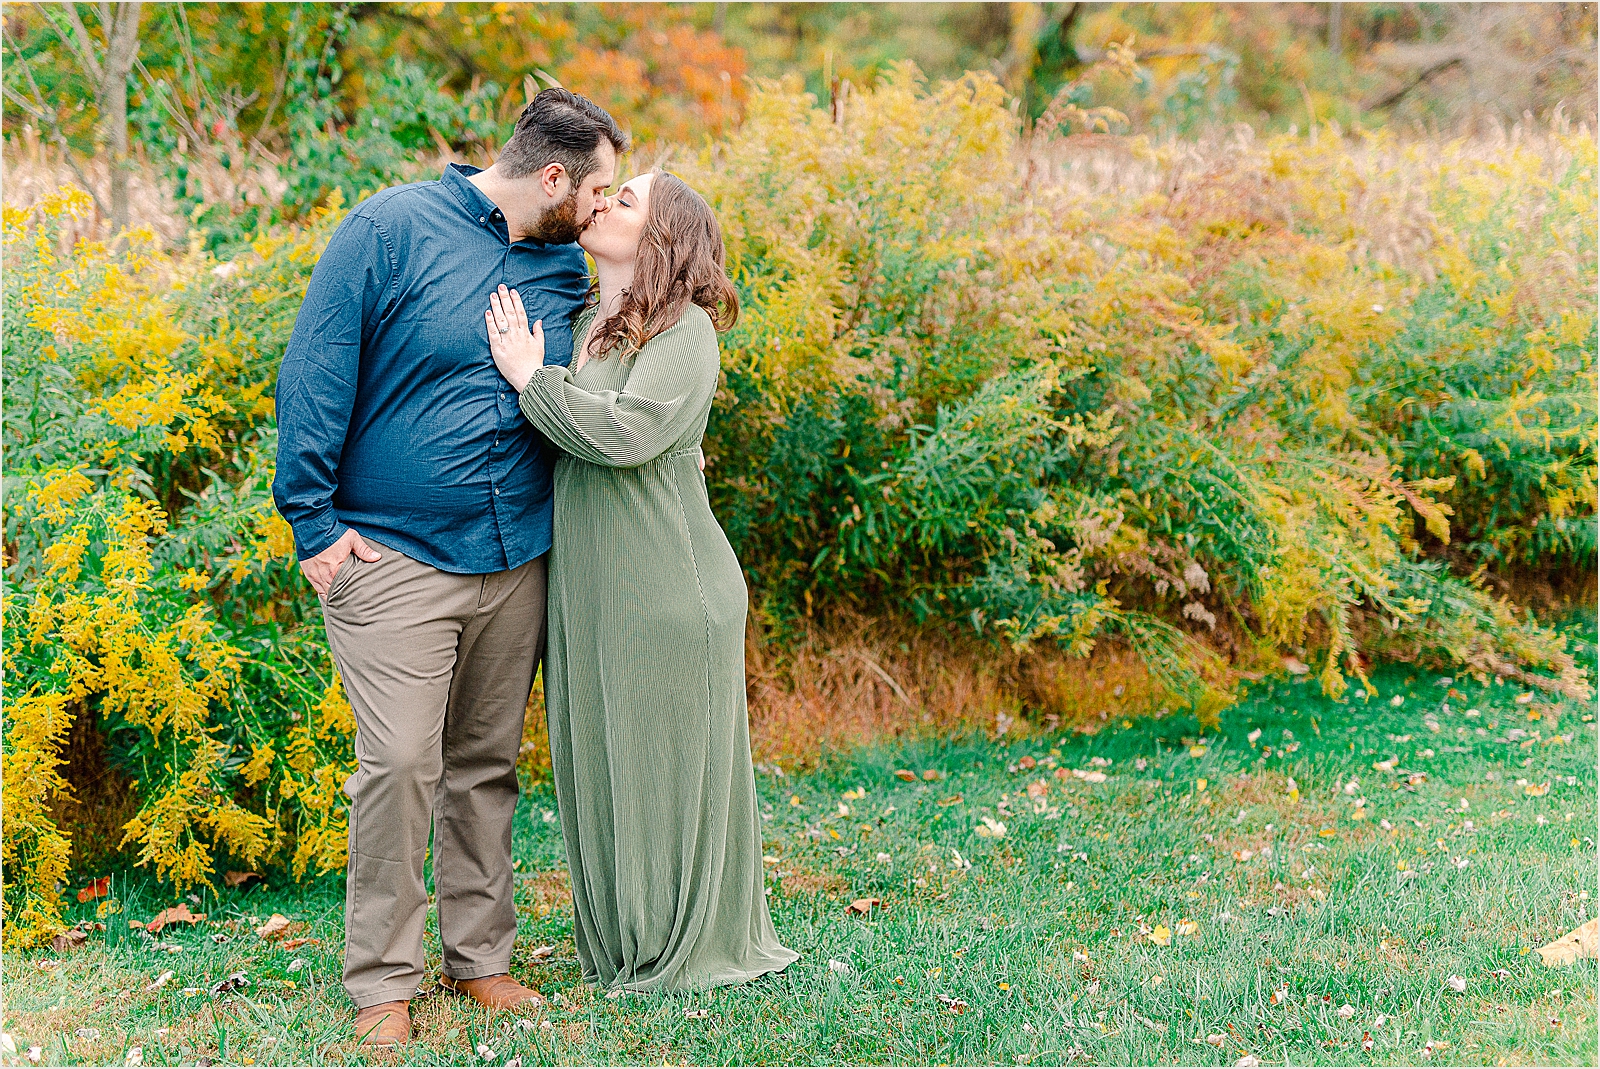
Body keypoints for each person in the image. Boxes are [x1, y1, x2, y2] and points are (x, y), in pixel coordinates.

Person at [272, 88, 628, 1048]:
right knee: (398, 764)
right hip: (395, 556)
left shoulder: (564, 264)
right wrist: (312, 526)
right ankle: (384, 979)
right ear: (550, 178)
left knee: (485, 765)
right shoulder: (389, 230)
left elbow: (601, 373)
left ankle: (481, 960)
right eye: (595, 191)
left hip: (517, 556)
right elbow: (315, 369)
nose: (599, 209)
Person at [483, 169, 801, 991]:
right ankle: (625, 936)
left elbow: (625, 434)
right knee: (601, 757)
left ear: (661, 236)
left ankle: (678, 940)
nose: (604, 202)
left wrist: (531, 379)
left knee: (659, 765)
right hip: (590, 585)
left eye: (626, 199)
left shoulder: (685, 330)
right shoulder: (584, 321)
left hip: (667, 584)